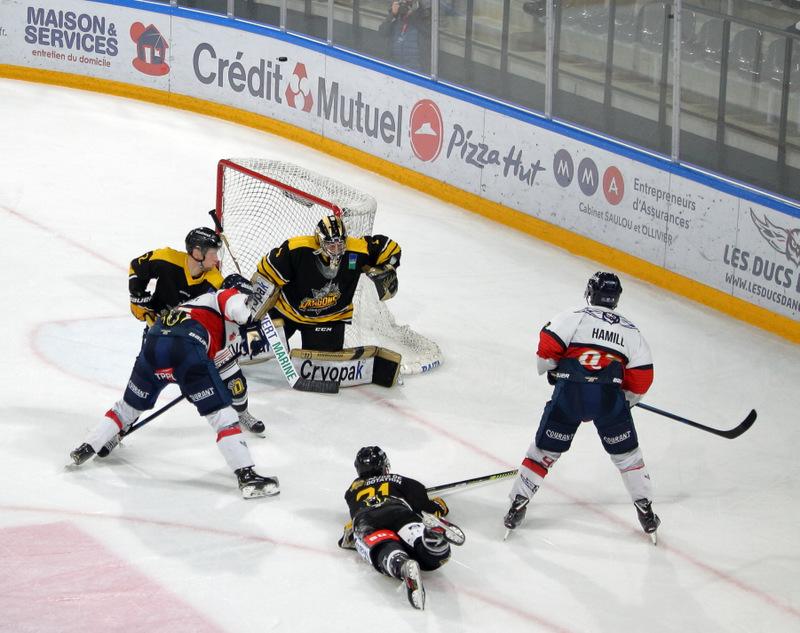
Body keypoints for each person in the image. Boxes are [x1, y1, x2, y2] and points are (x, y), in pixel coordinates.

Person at [69, 274, 279, 499]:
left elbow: (215, 357)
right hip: (186, 349)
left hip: (153, 345)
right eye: (247, 297)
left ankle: (87, 446)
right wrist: (250, 315)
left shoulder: (195, 307)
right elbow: (238, 309)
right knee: (223, 415)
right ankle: (247, 477)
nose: (249, 301)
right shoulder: (225, 296)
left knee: (126, 408)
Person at [503, 272, 660, 541]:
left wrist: (553, 370)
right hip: (608, 401)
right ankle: (645, 510)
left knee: (543, 453)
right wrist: (622, 400)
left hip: (570, 395)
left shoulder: (574, 315)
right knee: (628, 458)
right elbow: (642, 378)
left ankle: (517, 504)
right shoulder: (631, 331)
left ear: (591, 293)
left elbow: (547, 346)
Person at [129, 227, 264, 434]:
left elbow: (226, 308)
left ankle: (242, 412)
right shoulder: (166, 259)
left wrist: (247, 322)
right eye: (213, 253)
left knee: (235, 380)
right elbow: (136, 266)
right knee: (142, 386)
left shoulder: (215, 280)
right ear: (197, 253)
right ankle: (123, 424)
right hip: (160, 337)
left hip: (198, 342)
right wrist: (137, 294)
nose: (217, 259)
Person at [338, 446, 464, 610]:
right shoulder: (397, 479)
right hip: (397, 511)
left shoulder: (351, 491)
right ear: (383, 466)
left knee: (382, 548)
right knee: (431, 559)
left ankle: (402, 565)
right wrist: (439, 507)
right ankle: (432, 538)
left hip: (366, 519)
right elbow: (422, 502)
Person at [255, 214, 401, 352]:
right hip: (287, 311)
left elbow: (390, 248)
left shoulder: (356, 250)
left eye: (340, 245)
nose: (336, 251)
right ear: (320, 241)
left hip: (329, 319)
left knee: (322, 365)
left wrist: (387, 268)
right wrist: (251, 308)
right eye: (331, 245)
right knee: (256, 349)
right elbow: (265, 275)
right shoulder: (297, 249)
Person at [379, 1, 431, 72]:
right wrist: (392, 14)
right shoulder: (397, 16)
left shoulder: (425, 14)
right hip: (394, 66)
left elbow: (428, 33)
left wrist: (412, 15)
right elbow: (382, 32)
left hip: (416, 69)